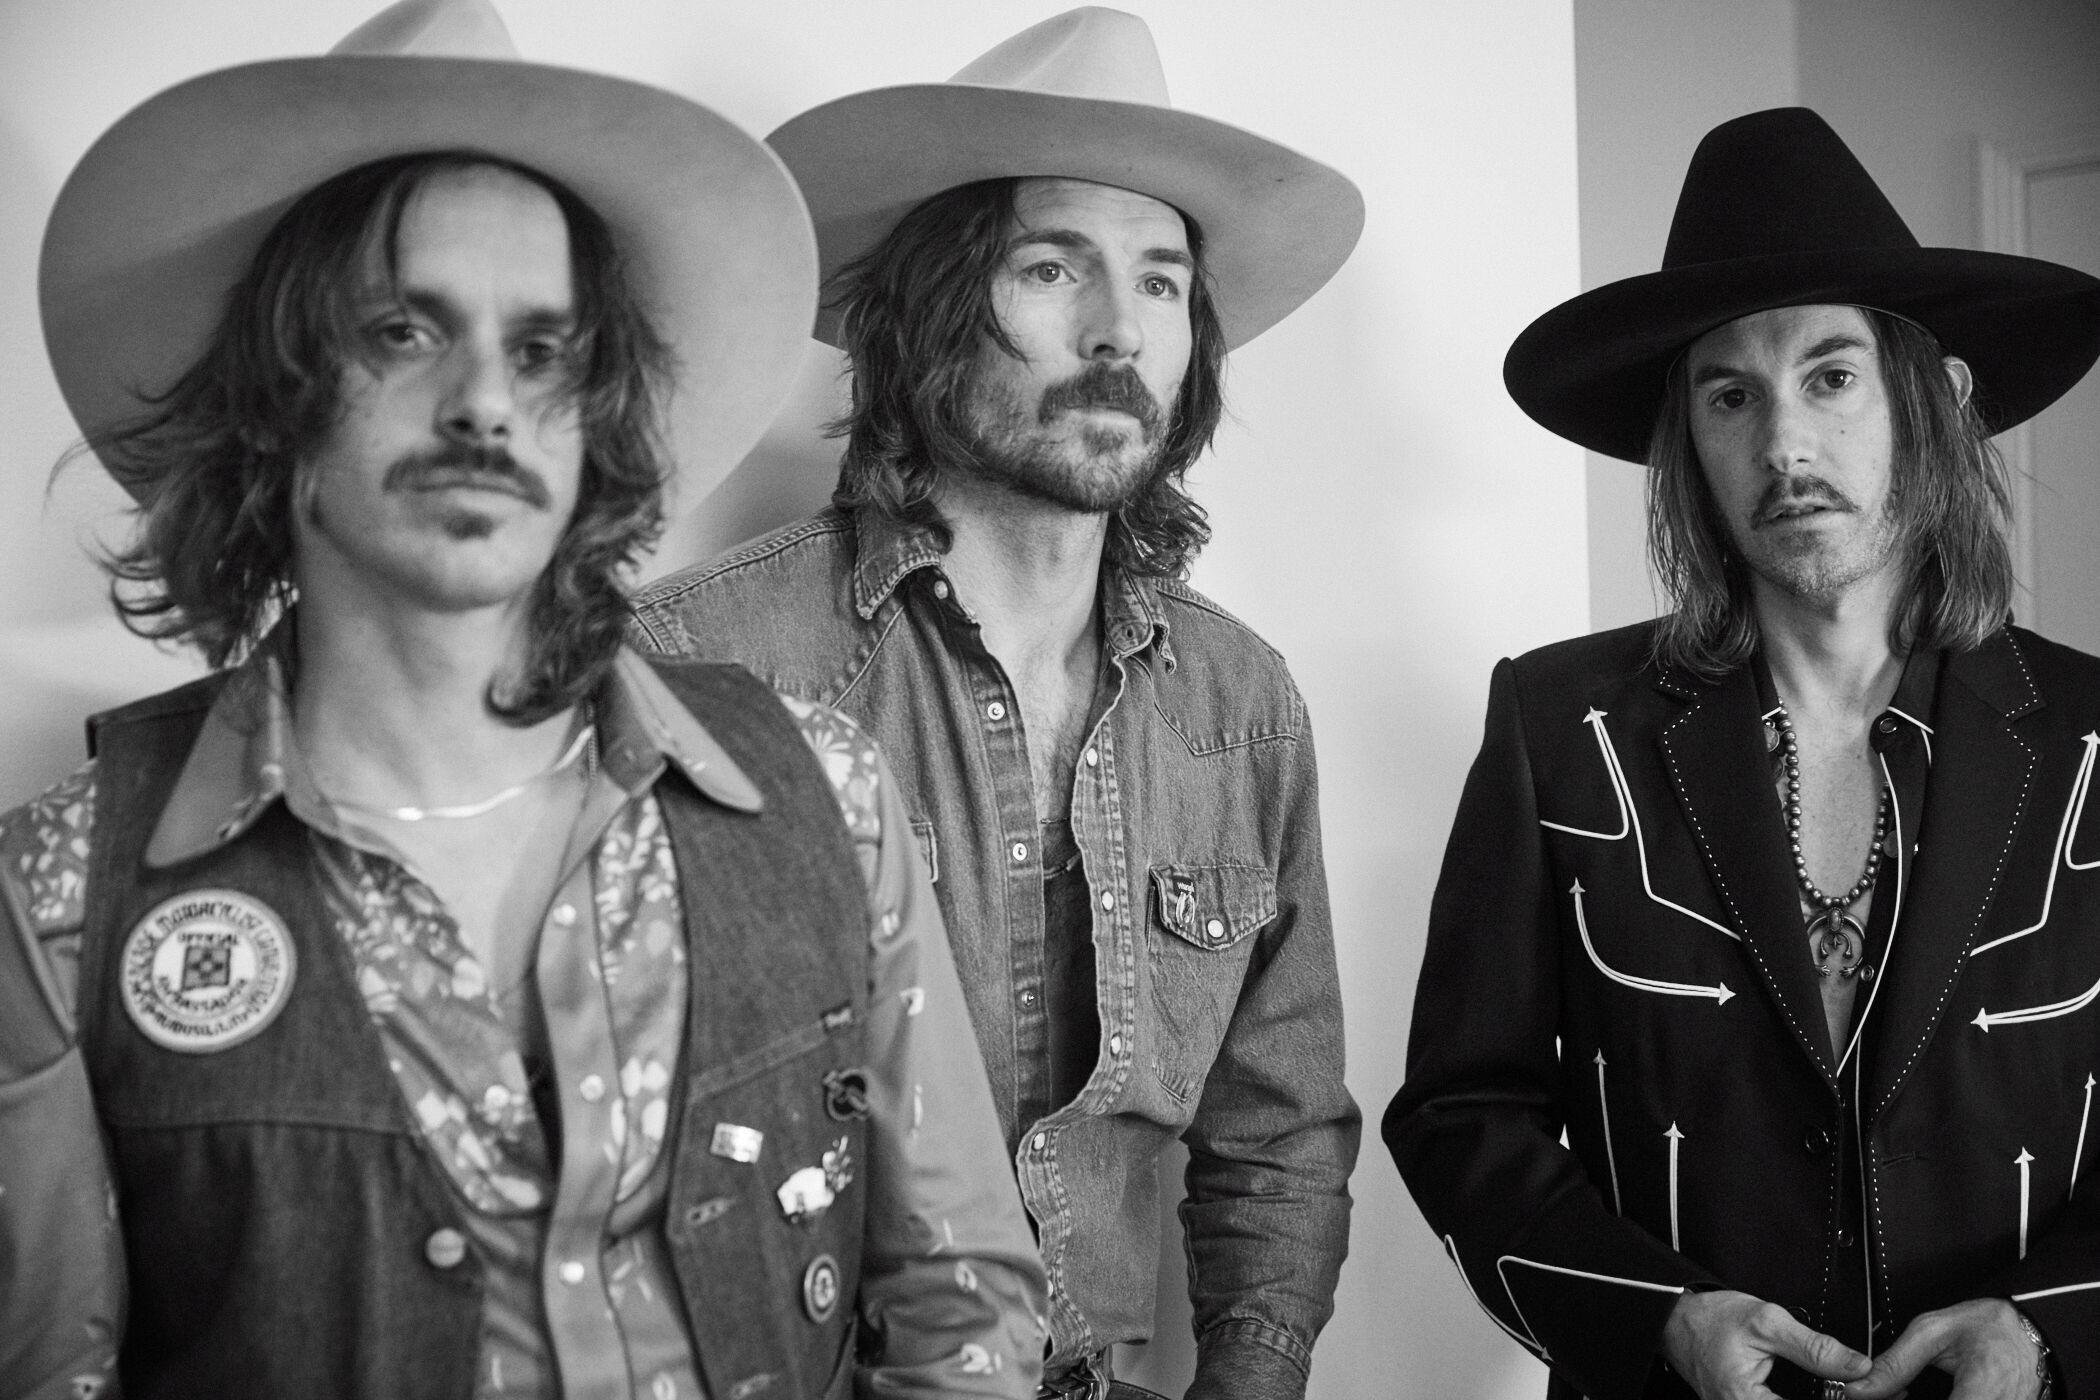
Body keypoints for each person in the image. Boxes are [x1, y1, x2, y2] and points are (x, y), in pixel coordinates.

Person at [0, 3, 1048, 1397]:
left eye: (545, 351)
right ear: (275, 398)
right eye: (402, 330)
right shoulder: (61, 894)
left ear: (596, 417)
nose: (485, 401)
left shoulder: (830, 796)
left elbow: (961, 1303)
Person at [628, 10, 1363, 1397]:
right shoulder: (701, 665)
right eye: (1051, 267)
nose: (1117, 330)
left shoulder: (1238, 703)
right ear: (925, 313)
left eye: (1160, 282)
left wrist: (1251, 1377)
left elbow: (1280, 1132)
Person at [1385, 106, 2100, 1400]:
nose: (1783, 446)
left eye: (1831, 378)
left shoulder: (2093, 739)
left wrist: (2046, 1331)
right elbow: (1460, 1112)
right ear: (1688, 443)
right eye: (1731, 396)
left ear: (1935, 402)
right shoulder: (1562, 727)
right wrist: (1660, 1320)